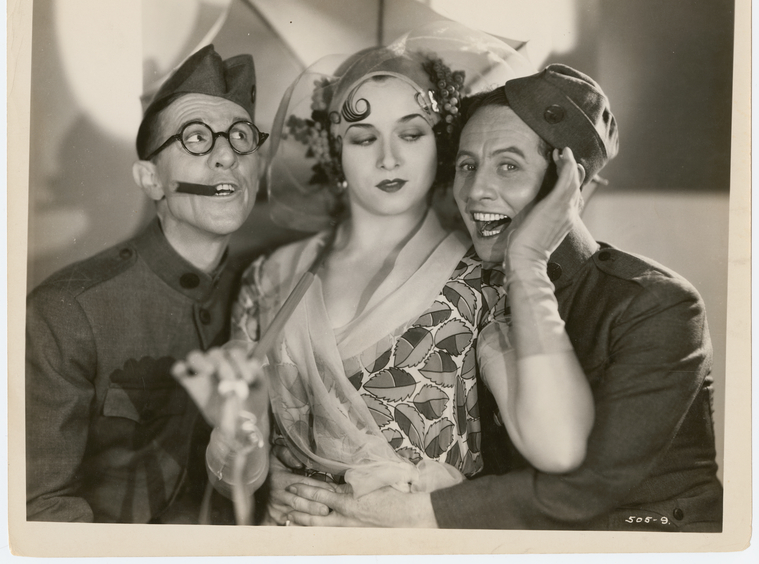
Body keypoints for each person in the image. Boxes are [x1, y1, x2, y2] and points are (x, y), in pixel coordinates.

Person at [174, 23, 594, 525]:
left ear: (440, 143)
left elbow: (560, 447)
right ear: (335, 150)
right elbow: (236, 478)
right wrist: (236, 432)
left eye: (411, 134)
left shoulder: (479, 278)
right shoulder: (270, 277)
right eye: (363, 137)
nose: (388, 158)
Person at [279, 64, 724, 532]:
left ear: (566, 186)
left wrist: (414, 513)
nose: (476, 191)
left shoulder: (657, 304)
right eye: (467, 166)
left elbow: (591, 484)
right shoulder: (465, 290)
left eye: (508, 166)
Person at [25, 44, 269, 523]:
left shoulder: (265, 285)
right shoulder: (68, 311)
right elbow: (40, 508)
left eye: (241, 137)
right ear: (151, 179)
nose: (226, 156)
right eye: (196, 138)